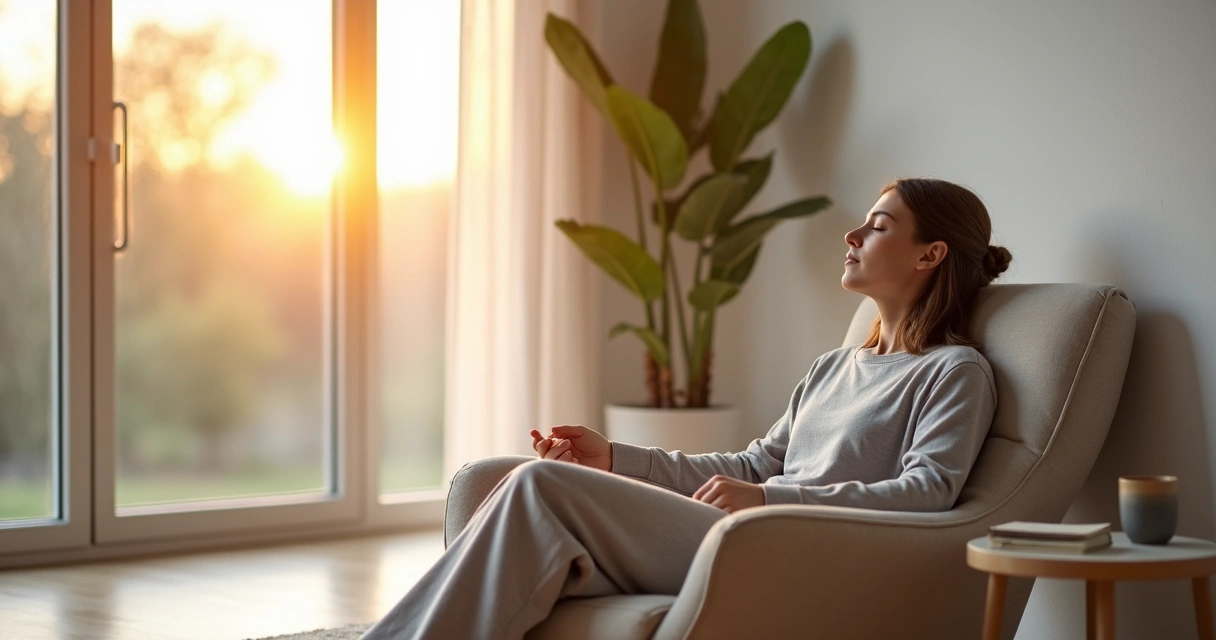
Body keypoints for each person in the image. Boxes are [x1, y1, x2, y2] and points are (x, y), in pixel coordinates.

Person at [361, 177, 1013, 640]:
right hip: (746, 531)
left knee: (538, 486)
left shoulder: (955, 372)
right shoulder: (835, 366)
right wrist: (612, 458)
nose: (852, 232)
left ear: (931, 254)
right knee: (496, 483)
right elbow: (753, 462)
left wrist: (769, 503)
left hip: (799, 549)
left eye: (878, 226)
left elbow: (928, 494)